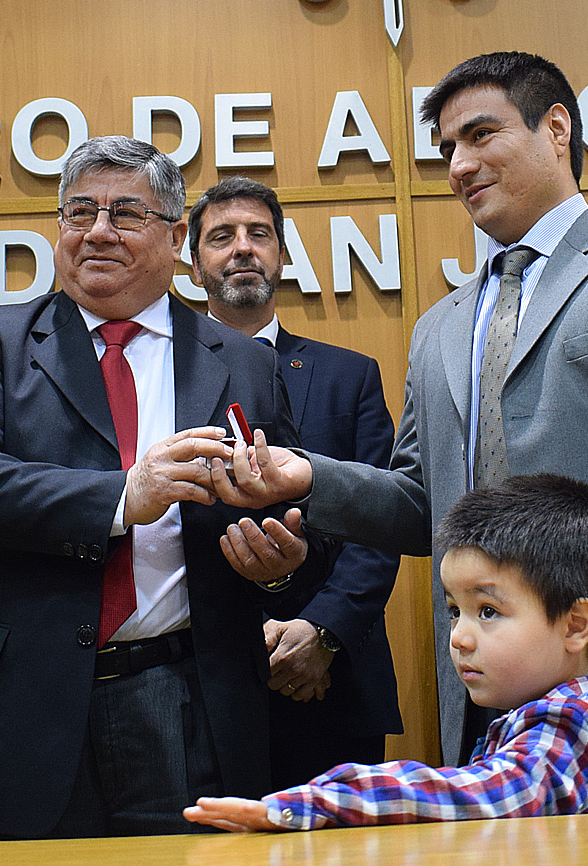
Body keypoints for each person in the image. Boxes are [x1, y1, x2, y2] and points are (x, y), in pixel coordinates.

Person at [210, 52, 588, 808]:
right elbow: (424, 504)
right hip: (494, 740)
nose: (459, 165)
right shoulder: (439, 326)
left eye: (481, 135)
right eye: (448, 147)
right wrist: (311, 478)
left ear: (557, 129)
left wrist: (575, 556)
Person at [0, 136, 329, 840]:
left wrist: (280, 567)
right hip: (19, 701)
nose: (98, 231)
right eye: (80, 212)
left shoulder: (244, 363)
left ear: (175, 238)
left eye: (126, 214)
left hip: (188, 698)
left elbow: (300, 525)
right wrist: (121, 497)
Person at [184, 475, 588, 831]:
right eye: (455, 611)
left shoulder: (580, 720)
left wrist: (315, 803)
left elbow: (484, 797)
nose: (460, 637)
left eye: (488, 611)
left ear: (576, 625)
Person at [187, 176, 402, 786]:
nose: (243, 247)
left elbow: (382, 519)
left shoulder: (350, 376)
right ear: (194, 264)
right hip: (198, 683)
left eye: (259, 234)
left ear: (282, 255)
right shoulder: (163, 376)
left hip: (332, 682)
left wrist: (323, 631)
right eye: (221, 236)